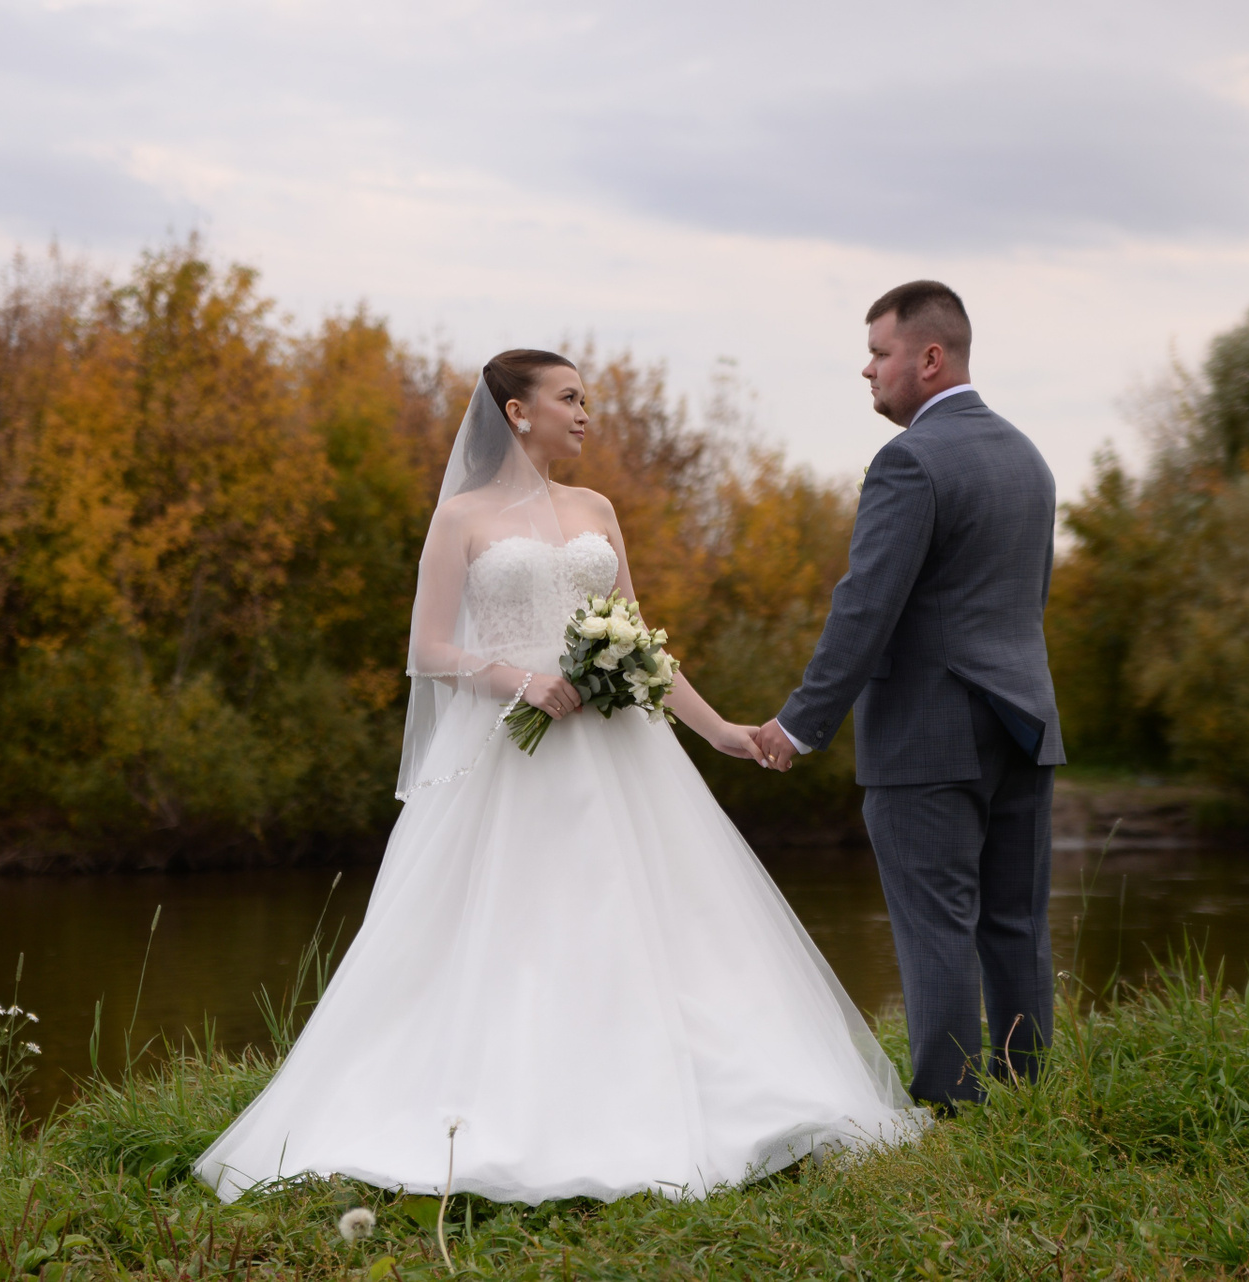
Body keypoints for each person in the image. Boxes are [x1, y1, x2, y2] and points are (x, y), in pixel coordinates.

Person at [196, 349, 921, 1205]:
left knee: (655, 918)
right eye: (569, 398)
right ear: (517, 412)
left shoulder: (596, 509)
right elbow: (428, 648)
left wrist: (720, 729)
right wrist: (521, 680)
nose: (585, 414)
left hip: (619, 748)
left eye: (586, 400)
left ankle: (681, 1087)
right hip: (514, 749)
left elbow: (639, 639)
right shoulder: (461, 518)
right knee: (510, 926)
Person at [754, 282, 1065, 1112]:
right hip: (1024, 719)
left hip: (930, 732)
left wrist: (800, 722)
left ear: (930, 358)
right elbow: (1026, 599)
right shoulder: (1026, 456)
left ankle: (950, 1108)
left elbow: (866, 606)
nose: (867, 369)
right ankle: (1027, 1095)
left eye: (878, 353)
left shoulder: (910, 460)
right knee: (1016, 921)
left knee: (937, 924)